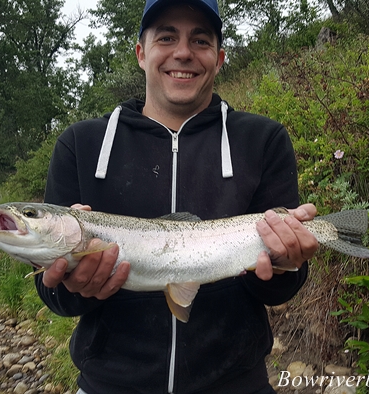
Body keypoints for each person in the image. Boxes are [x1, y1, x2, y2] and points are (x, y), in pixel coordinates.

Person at [35, 0, 319, 393]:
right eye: (167, 36)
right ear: (141, 52)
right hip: (109, 385)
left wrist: (287, 264)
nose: (183, 52)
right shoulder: (81, 145)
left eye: (200, 40)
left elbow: (276, 288)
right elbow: (56, 297)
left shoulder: (263, 139)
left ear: (219, 59)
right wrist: (71, 286)